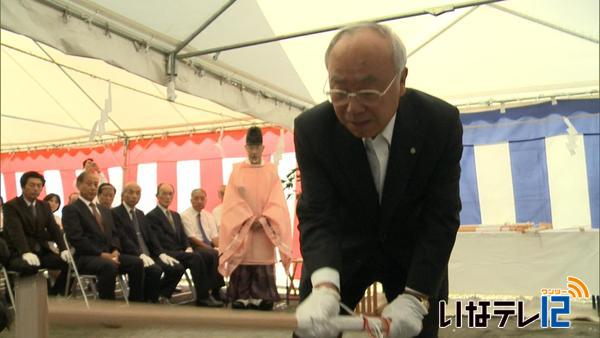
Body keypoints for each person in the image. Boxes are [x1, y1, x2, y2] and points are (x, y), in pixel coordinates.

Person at [293, 23, 462, 338]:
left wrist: (416, 298)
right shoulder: (313, 129)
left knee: (416, 332)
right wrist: (325, 286)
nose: (352, 108)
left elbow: (441, 216)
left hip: (411, 253)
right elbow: (319, 214)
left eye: (369, 92)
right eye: (339, 91)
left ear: (401, 81)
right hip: (342, 250)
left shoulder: (439, 123)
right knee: (313, 331)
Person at [218, 126, 292, 311]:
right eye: (250, 147)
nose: (253, 151)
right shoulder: (237, 170)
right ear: (245, 148)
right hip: (244, 227)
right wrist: (248, 219)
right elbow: (232, 201)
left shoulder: (271, 171)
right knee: (243, 258)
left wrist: (265, 219)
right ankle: (241, 297)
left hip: (264, 228)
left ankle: (262, 297)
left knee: (262, 259)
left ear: (263, 148)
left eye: (256, 147)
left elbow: (277, 200)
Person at [62, 171, 145, 301]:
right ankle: (107, 309)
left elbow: (114, 234)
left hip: (109, 254)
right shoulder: (71, 209)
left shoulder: (104, 210)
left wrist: (115, 250)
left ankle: (136, 303)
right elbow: (77, 239)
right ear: (78, 185)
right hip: (86, 257)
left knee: (137, 262)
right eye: (89, 184)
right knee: (108, 266)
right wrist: (102, 254)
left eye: (95, 184)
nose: (93, 188)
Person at [145, 183, 223, 307]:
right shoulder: (151, 216)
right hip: (165, 252)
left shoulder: (175, 215)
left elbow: (183, 236)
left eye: (170, 194)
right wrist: (164, 254)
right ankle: (203, 297)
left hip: (179, 251)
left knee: (200, 255)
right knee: (196, 257)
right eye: (164, 194)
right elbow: (156, 240)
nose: (167, 197)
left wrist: (187, 247)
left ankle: (212, 292)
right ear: (157, 196)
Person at [112, 182, 184, 303]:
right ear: (123, 195)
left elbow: (151, 237)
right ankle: (148, 300)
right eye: (131, 192)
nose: (134, 196)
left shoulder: (140, 214)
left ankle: (160, 295)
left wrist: (161, 253)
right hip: (131, 254)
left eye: (137, 193)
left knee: (177, 268)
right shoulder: (115, 213)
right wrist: (139, 253)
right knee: (155, 270)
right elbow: (123, 238)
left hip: (149, 253)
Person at [2, 171, 70, 295]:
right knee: (30, 266)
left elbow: (54, 229)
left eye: (39, 186)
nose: (36, 189)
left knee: (69, 262)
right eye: (32, 185)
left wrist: (63, 248)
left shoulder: (44, 205)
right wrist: (25, 251)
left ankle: (53, 295)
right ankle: (18, 298)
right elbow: (16, 232)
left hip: (41, 252)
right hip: (18, 253)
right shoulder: (11, 206)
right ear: (23, 187)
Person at [181, 188, 225, 300]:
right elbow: (191, 237)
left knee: (219, 253)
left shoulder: (208, 215)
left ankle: (217, 290)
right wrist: (211, 248)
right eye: (196, 198)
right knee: (212, 254)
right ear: (191, 200)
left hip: (209, 246)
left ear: (206, 200)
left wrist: (221, 248)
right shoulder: (185, 215)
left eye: (202, 198)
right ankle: (212, 291)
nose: (199, 201)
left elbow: (215, 237)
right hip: (195, 246)